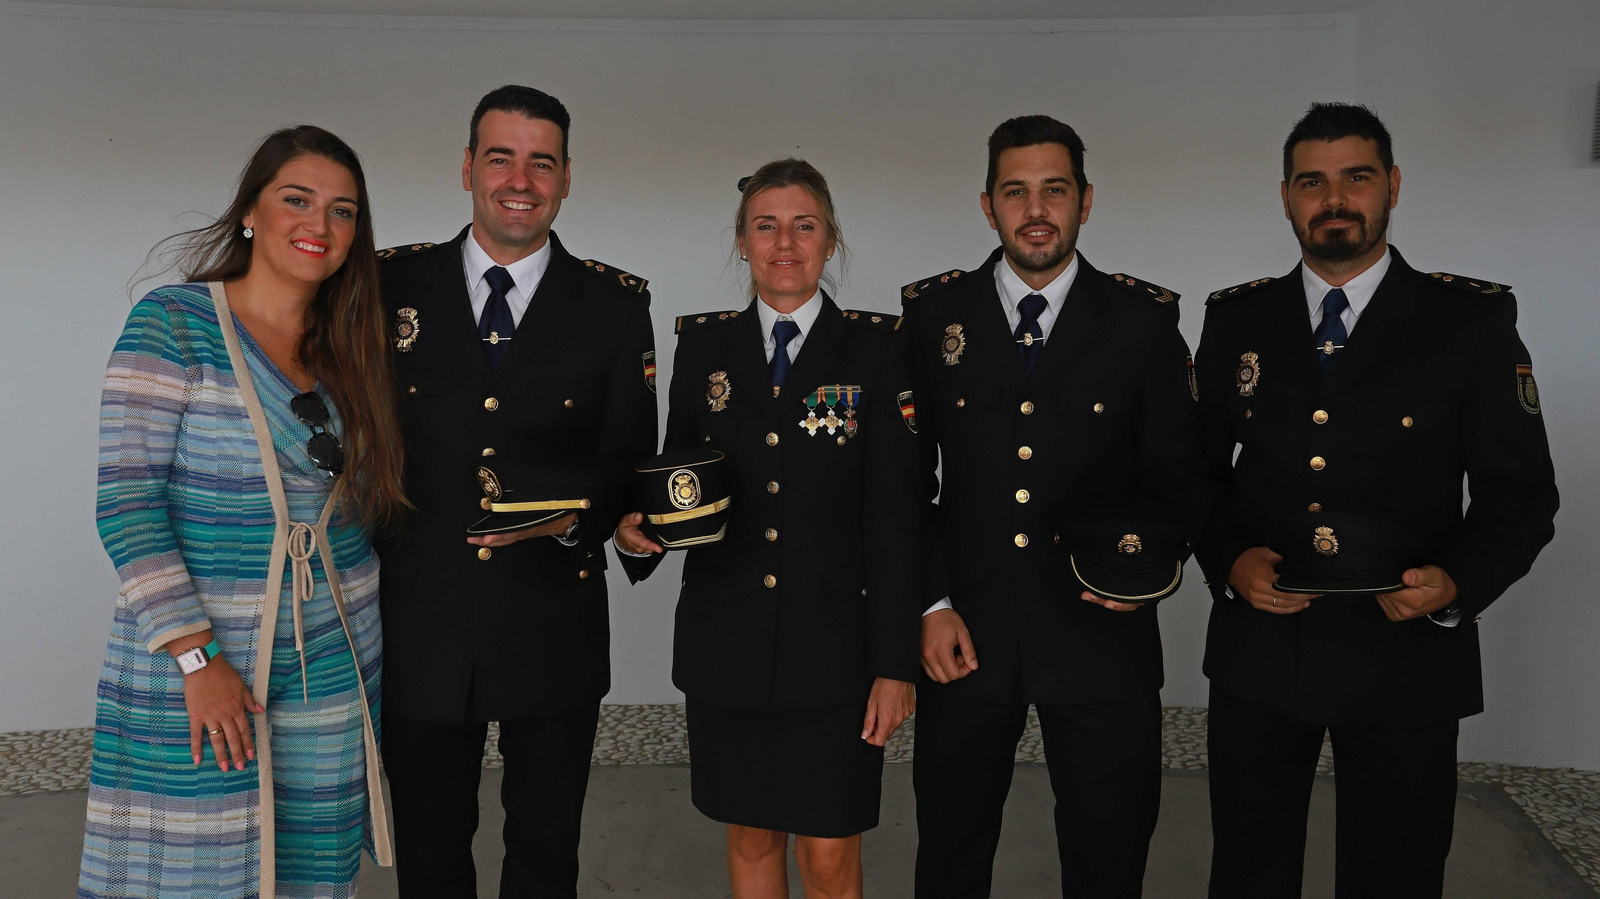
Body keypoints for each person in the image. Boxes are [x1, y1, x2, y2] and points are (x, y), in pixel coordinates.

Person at [1193, 102, 1559, 898]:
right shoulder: (1236, 319)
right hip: (1263, 647)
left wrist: (1457, 582)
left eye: (1356, 178)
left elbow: (1522, 494)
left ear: (1392, 185)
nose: (1334, 199)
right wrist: (1229, 559)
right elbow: (1197, 473)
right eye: (1312, 182)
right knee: (1248, 868)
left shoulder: (1468, 320)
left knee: (1396, 872)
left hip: (1406, 653)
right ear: (1286, 197)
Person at [80, 125, 404, 898]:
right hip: (205, 650)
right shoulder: (174, 323)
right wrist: (198, 659)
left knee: (313, 867)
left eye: (343, 210)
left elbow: (362, 508)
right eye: (297, 199)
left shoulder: (350, 347)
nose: (319, 224)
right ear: (251, 211)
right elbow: (127, 502)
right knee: (195, 863)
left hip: (334, 653)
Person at [900, 115, 1210, 898]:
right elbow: (903, 480)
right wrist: (930, 602)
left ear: (1086, 200)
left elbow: (1181, 476)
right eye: (1016, 192)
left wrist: (1143, 569)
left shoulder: (1142, 322)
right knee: (951, 852)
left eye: (1055, 190)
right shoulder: (934, 317)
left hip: (1103, 629)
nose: (1035, 210)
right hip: (965, 633)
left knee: (1109, 857)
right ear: (988, 205)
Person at [375, 84, 658, 898]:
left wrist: (572, 522)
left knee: (544, 846)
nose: (520, 181)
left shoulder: (612, 306)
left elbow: (628, 462)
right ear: (468, 167)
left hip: (553, 618)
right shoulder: (390, 286)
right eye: (501, 158)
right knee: (430, 848)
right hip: (423, 617)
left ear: (567, 177)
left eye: (542, 162)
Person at [615, 158, 921, 899]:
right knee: (752, 838)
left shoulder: (878, 349)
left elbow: (898, 513)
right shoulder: (704, 348)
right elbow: (678, 480)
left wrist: (895, 663)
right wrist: (638, 535)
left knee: (829, 856)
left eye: (803, 225)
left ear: (830, 240)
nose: (785, 242)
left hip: (837, 655)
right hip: (729, 647)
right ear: (742, 241)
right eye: (766, 226)